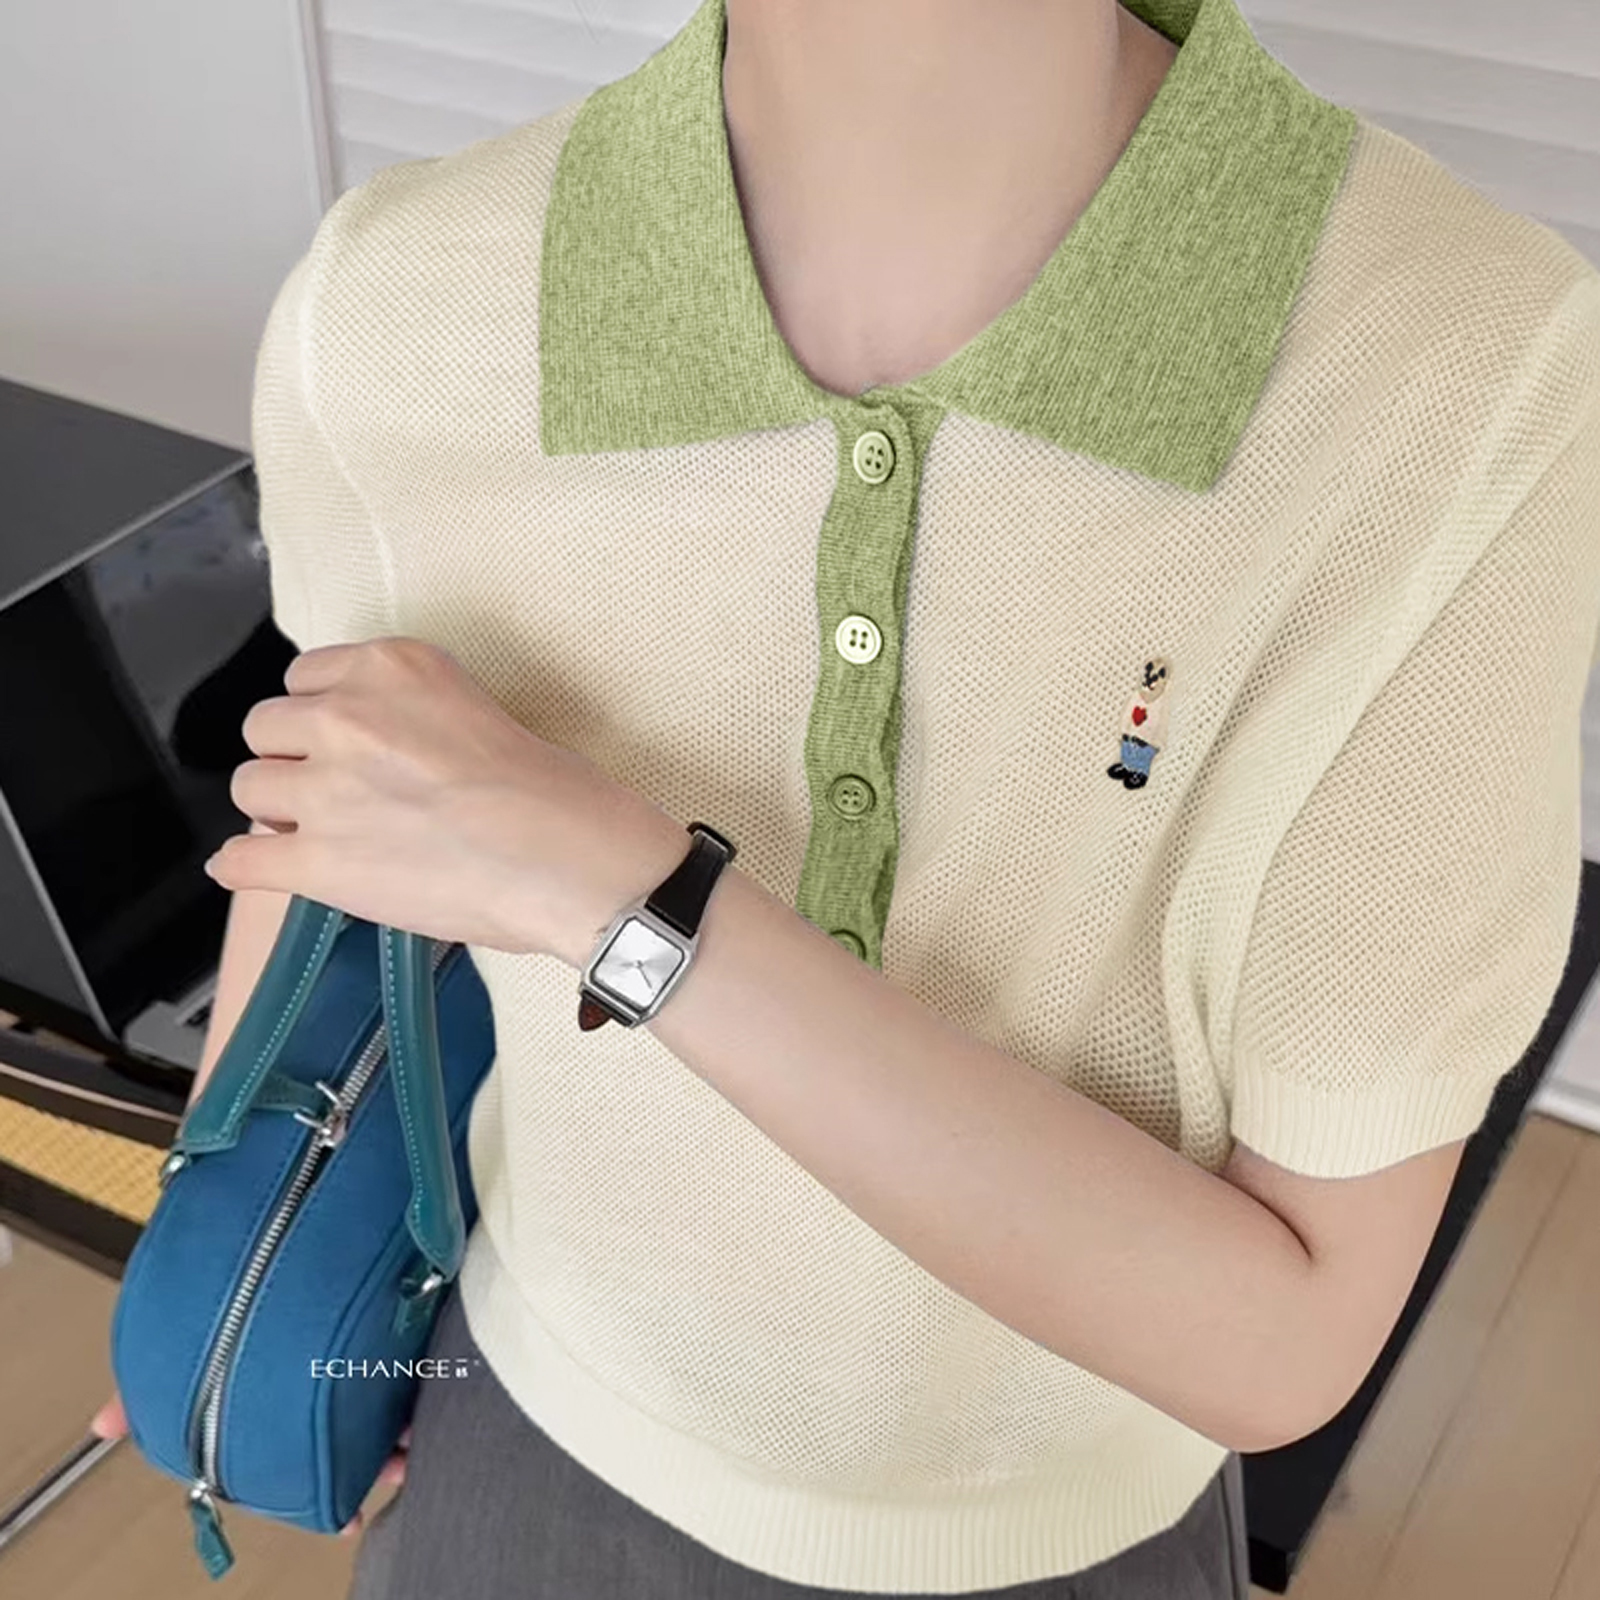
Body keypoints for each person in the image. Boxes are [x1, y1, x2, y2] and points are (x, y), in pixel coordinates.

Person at [97, 0, 1600, 1595]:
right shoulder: (391, 302)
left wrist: (617, 898)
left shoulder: (1470, 371)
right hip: (523, 1411)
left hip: (1063, 1524)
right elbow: (333, 820)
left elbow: (1288, 1335)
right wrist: (230, 1262)